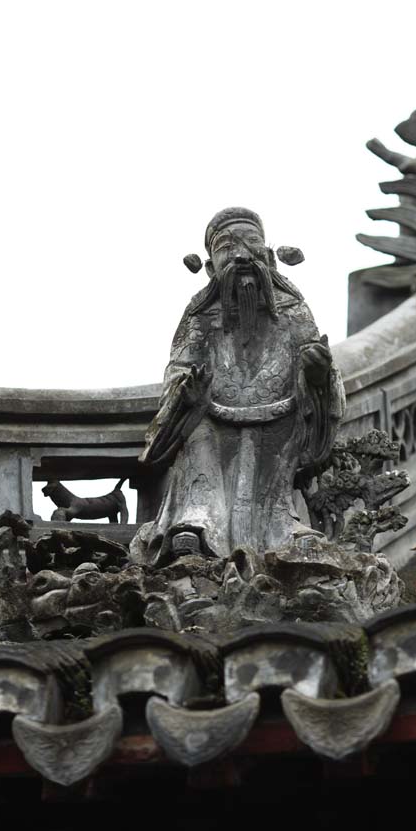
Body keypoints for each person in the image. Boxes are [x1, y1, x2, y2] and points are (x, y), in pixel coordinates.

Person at [135, 207, 345, 566]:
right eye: (228, 247)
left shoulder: (292, 307)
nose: (243, 255)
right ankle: (196, 521)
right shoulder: (199, 314)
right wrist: (186, 390)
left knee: (288, 426)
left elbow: (321, 368)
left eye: (252, 244)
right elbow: (178, 370)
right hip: (213, 415)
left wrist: (318, 372)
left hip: (278, 411)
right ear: (211, 267)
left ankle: (281, 523)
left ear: (269, 255)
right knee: (196, 427)